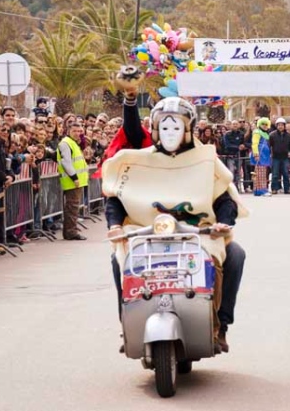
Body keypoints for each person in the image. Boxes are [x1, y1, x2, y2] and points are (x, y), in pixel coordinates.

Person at [103, 96, 248, 355]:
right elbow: (118, 197)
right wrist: (114, 225)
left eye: (176, 127)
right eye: (165, 127)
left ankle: (220, 325)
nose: (171, 133)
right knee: (118, 259)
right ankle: (127, 323)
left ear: (188, 129)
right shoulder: (139, 160)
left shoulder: (204, 159)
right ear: (156, 130)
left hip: (196, 232)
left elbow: (224, 198)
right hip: (146, 231)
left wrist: (224, 223)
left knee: (235, 254)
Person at [57, 122, 88, 241]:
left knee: (72, 207)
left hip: (75, 180)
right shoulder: (66, 143)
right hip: (71, 180)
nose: (77, 134)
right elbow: (66, 162)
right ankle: (71, 232)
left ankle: (69, 230)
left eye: (79, 131)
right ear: (68, 130)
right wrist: (74, 177)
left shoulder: (73, 143)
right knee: (72, 207)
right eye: (74, 131)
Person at [269, 117, 290, 194]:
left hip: (285, 157)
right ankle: (274, 189)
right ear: (276, 126)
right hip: (275, 157)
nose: (280, 126)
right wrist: (270, 155)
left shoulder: (289, 136)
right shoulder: (272, 135)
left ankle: (287, 189)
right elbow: (269, 146)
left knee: (286, 174)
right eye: (279, 125)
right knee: (275, 174)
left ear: (284, 126)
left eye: (282, 125)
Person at [250, 117, 272, 197]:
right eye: (263, 124)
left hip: (264, 156)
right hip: (260, 155)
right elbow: (254, 144)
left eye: (266, 124)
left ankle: (258, 189)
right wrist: (256, 154)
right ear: (259, 124)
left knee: (261, 173)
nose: (265, 126)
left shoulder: (266, 134)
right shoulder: (257, 132)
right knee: (260, 174)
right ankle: (261, 190)